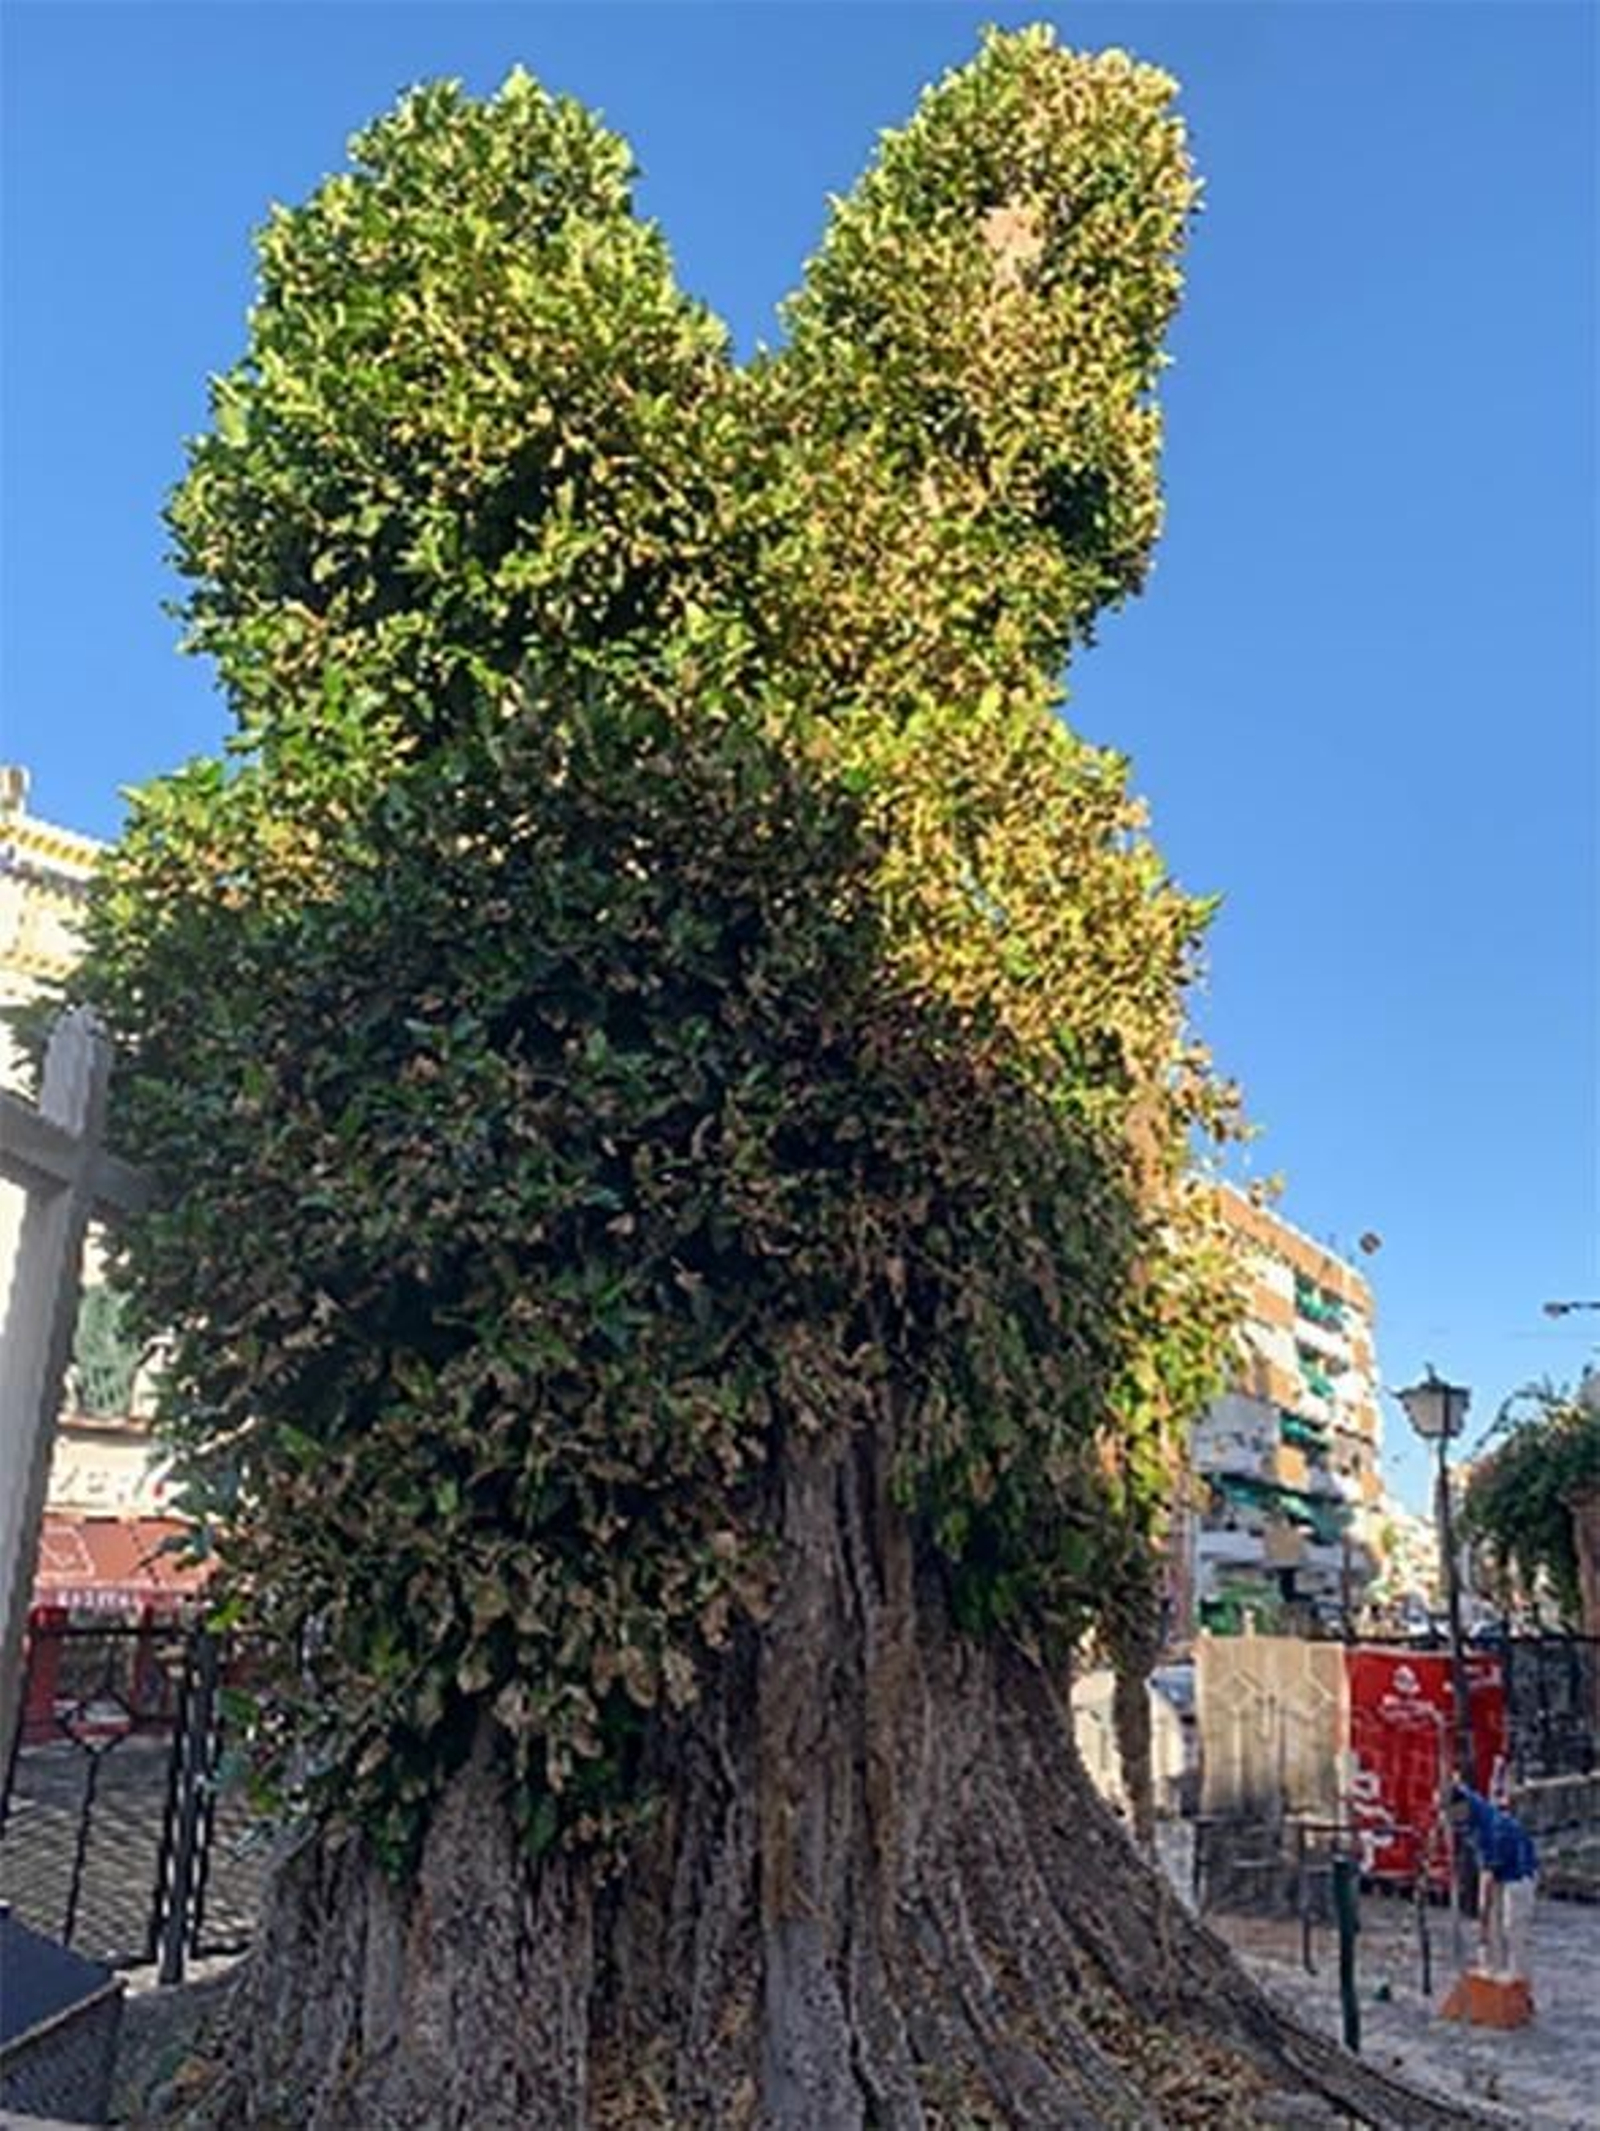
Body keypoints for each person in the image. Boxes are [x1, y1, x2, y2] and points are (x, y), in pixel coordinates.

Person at [1451, 1783, 1538, 1981]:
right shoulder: (1463, 1809)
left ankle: (1519, 1979)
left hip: (1519, 1870)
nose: (1451, 1821)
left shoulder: (1490, 1827)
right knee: (1492, 1923)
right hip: (1496, 1868)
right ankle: (1491, 1969)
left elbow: (1487, 1878)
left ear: (1462, 1807)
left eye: (1453, 1815)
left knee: (1512, 1925)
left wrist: (1482, 1912)